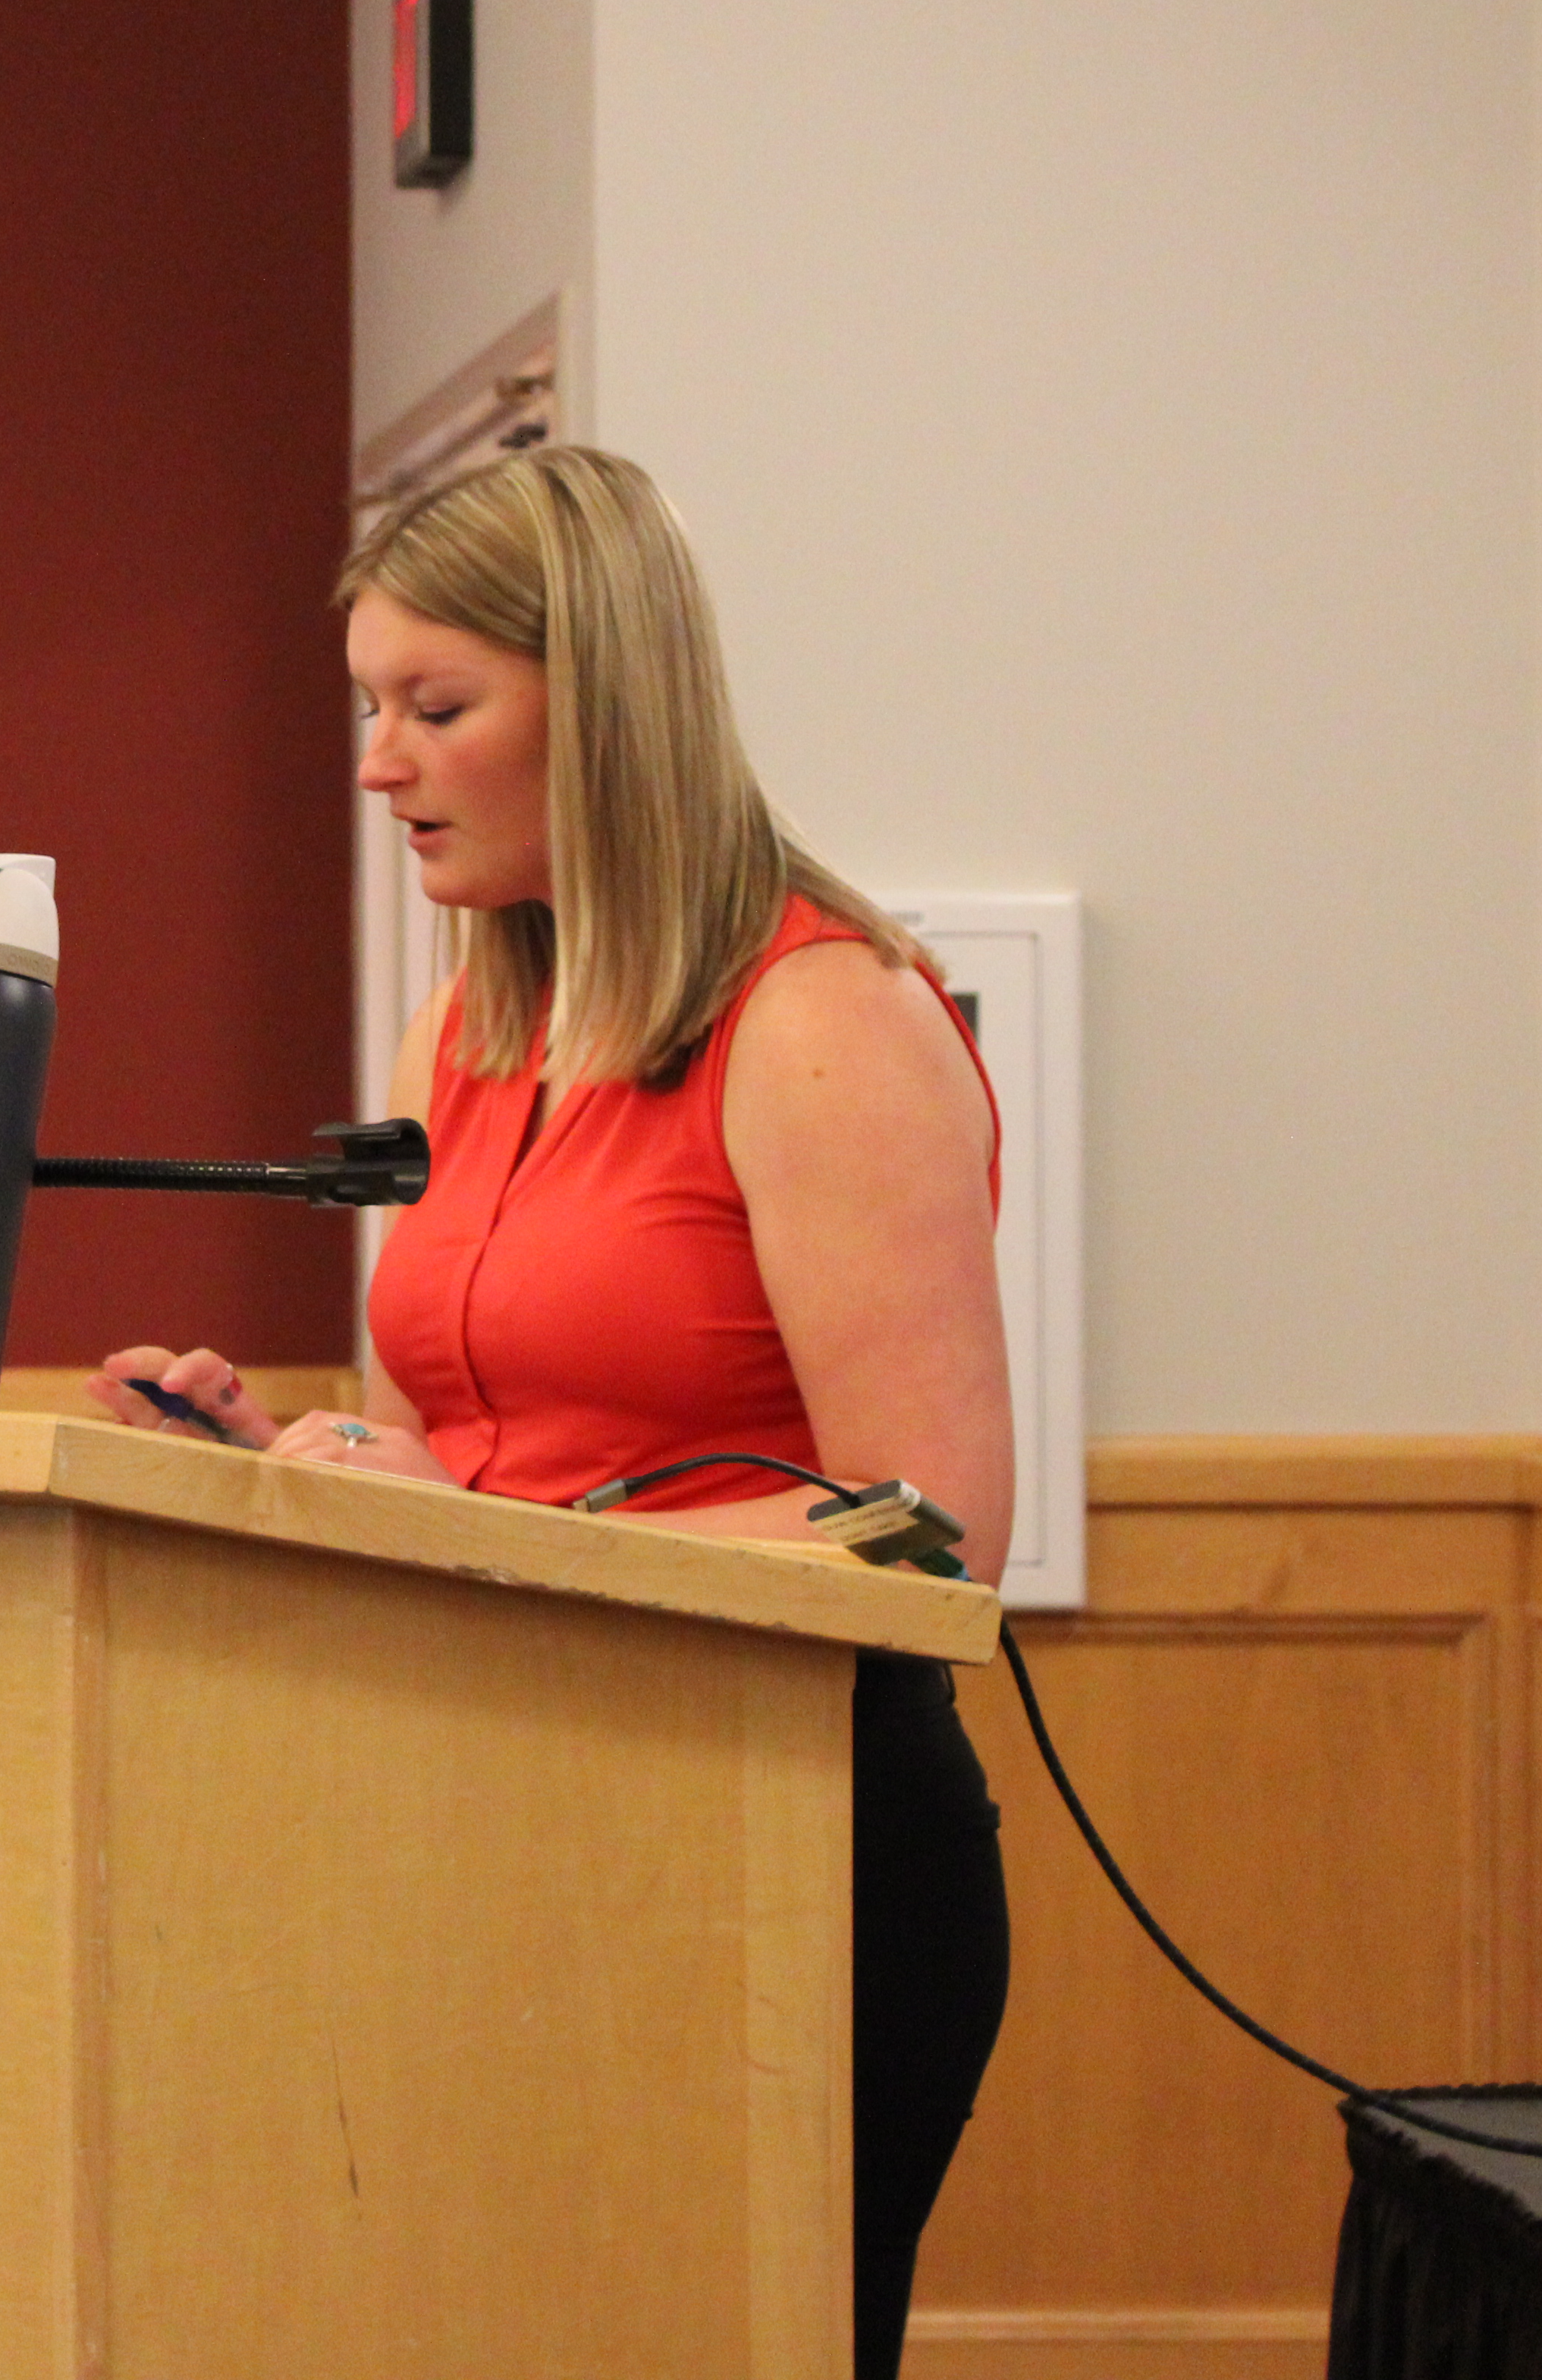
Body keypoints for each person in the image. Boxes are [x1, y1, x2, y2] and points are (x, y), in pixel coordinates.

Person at [82, 444, 1012, 2380]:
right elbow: (504, 1447)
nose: (377, 764)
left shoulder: (826, 1022)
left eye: (435, 708)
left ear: (604, 705)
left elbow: (930, 1529)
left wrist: (494, 1538)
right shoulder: (474, 1028)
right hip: (508, 1821)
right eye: (368, 708)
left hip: (788, 1845)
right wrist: (295, 1459)